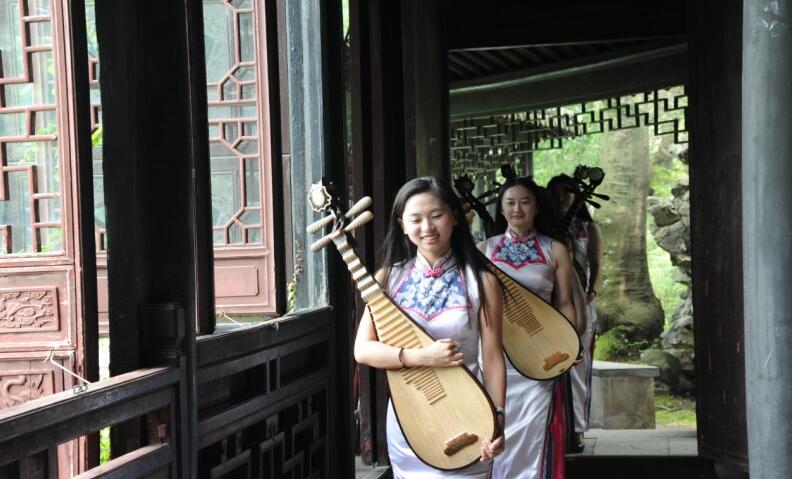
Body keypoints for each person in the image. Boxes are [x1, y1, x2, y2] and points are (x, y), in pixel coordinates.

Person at [354, 177, 506, 478]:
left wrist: (497, 417)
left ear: (454, 217)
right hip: (408, 418)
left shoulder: (482, 282)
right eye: (416, 219)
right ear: (402, 225)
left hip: (467, 414)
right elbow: (363, 349)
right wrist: (422, 357)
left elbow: (492, 358)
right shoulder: (387, 279)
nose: (427, 227)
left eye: (436, 215)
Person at [481, 176, 577, 479]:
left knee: (533, 430)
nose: (517, 208)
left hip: (540, 353)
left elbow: (564, 303)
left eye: (525, 202)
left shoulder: (555, 249)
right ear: (501, 208)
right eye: (509, 202)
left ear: (536, 207)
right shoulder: (484, 250)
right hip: (496, 354)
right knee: (492, 427)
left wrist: (570, 343)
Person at [547, 174, 603, 453]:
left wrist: (591, 290)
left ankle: (577, 429)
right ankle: (552, 428)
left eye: (566, 193)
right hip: (547, 305)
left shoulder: (586, 228)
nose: (560, 198)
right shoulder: (542, 228)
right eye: (555, 193)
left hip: (581, 302)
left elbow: (596, 262)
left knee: (578, 368)